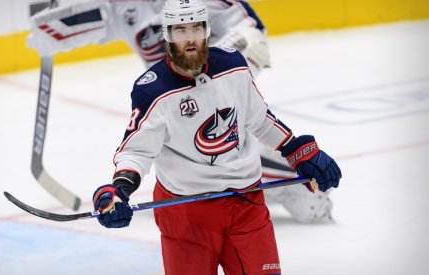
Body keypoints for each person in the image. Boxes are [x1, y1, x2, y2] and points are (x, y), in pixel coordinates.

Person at [91, 0, 342, 273]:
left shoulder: (233, 65)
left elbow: (258, 119)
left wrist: (295, 149)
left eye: (196, 28)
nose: (189, 39)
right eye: (180, 30)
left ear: (207, 29)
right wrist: (120, 189)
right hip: (186, 212)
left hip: (247, 202)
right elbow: (137, 151)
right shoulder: (152, 90)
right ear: (166, 33)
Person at [28, 0, 334, 223]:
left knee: (227, 151)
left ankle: (300, 189)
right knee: (186, 152)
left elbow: (252, 32)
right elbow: (99, 19)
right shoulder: (125, 6)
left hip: (219, 90)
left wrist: (214, 68)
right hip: (170, 104)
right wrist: (54, 30)